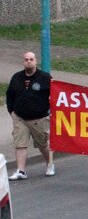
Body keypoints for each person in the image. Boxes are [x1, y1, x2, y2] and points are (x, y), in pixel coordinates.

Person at [7, 52, 55, 180]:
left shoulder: (44, 77)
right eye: (26, 59)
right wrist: (11, 111)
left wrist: (52, 111)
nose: (28, 61)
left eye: (31, 59)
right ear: (23, 62)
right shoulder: (16, 77)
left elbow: (55, 94)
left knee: (43, 144)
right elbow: (10, 95)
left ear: (35, 61)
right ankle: (21, 171)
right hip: (20, 118)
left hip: (39, 118)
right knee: (20, 144)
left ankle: (49, 164)